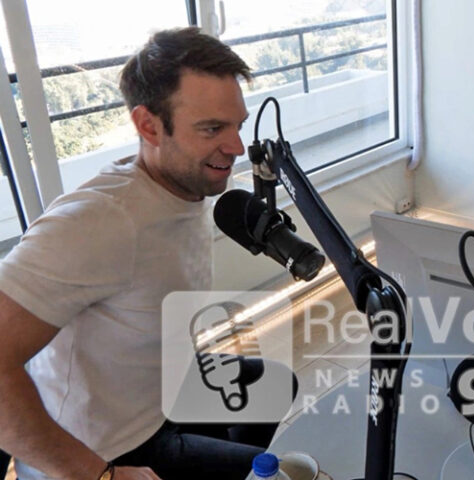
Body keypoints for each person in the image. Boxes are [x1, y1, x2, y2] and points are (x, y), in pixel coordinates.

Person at [0, 27, 287, 480]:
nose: (235, 147)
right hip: (109, 449)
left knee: (274, 386)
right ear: (149, 126)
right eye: (212, 128)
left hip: (161, 393)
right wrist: (101, 475)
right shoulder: (98, 223)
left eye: (238, 125)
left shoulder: (184, 184)